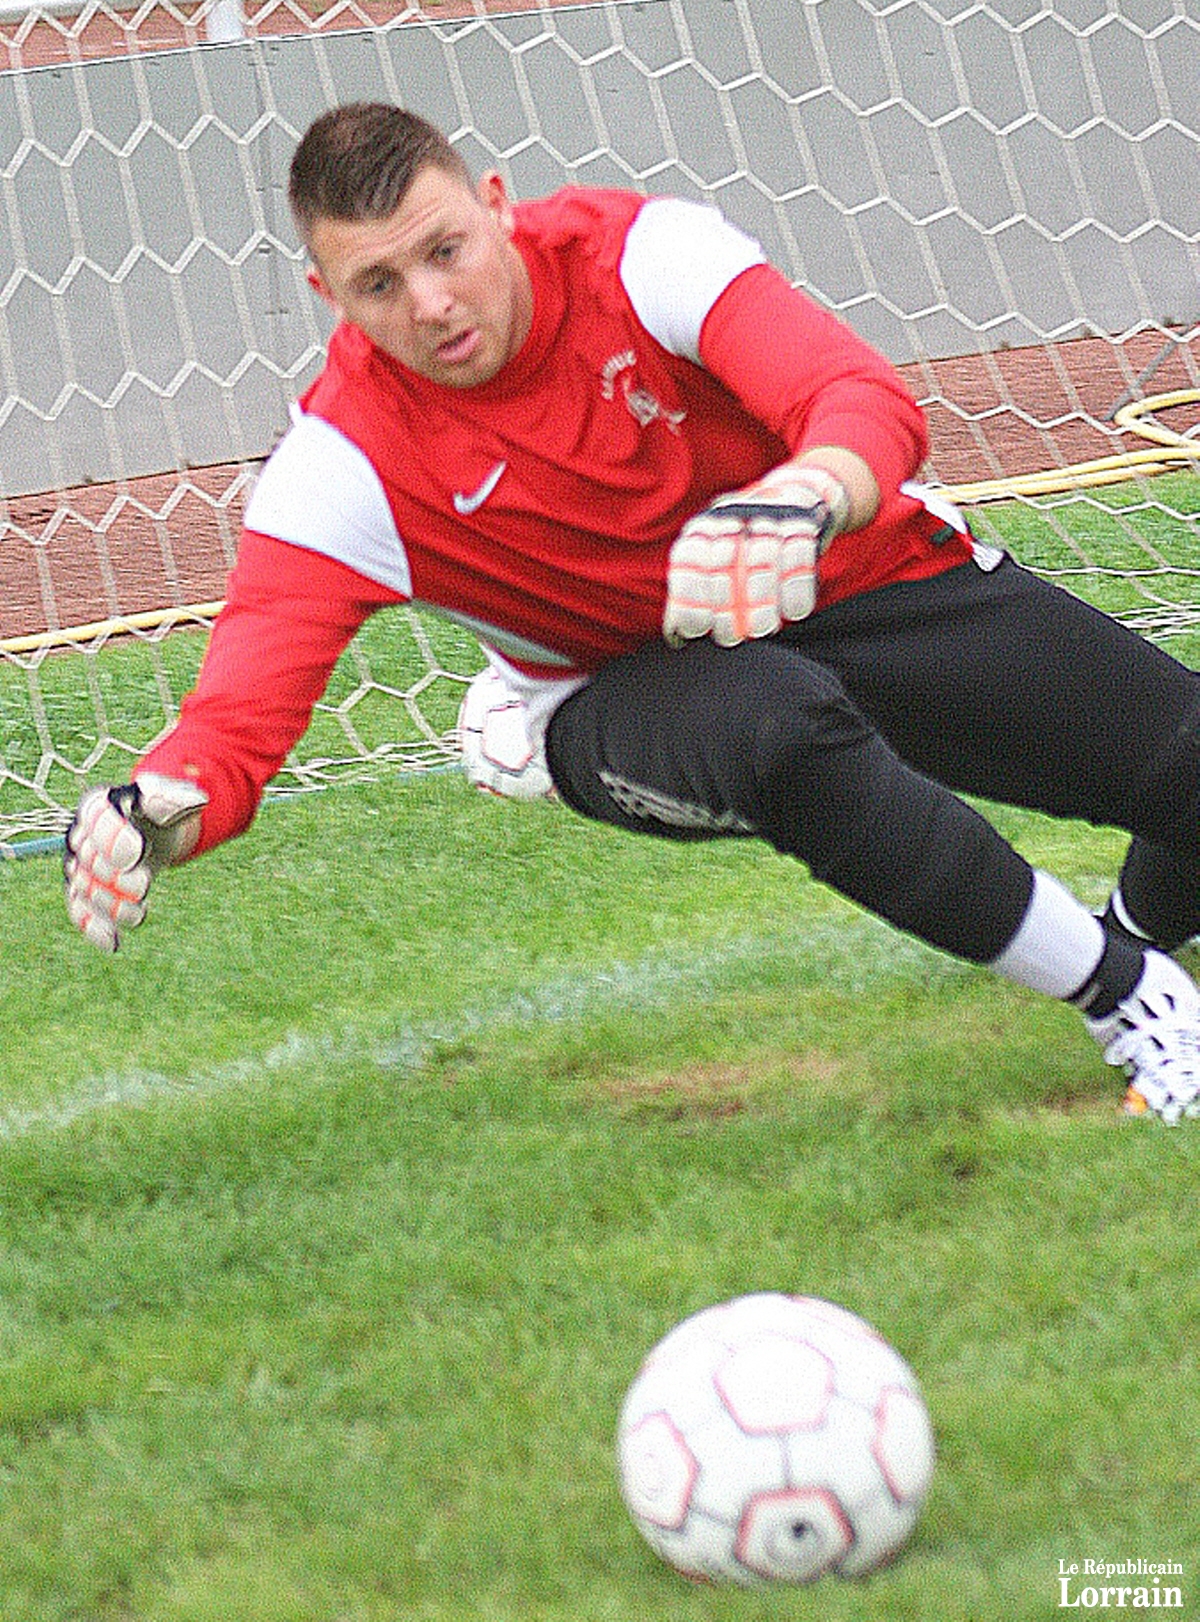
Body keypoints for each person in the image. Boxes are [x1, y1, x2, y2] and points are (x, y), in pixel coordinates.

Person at [64, 101, 1200, 1123]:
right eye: (379, 286)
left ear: (497, 207)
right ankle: (1125, 991)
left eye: (446, 250)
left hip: (859, 578)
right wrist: (162, 810)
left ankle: (1142, 933)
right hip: (620, 688)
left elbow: (857, 398)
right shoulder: (342, 465)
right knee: (780, 723)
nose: (432, 303)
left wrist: (808, 492)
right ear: (330, 297)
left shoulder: (646, 255)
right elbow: (234, 727)